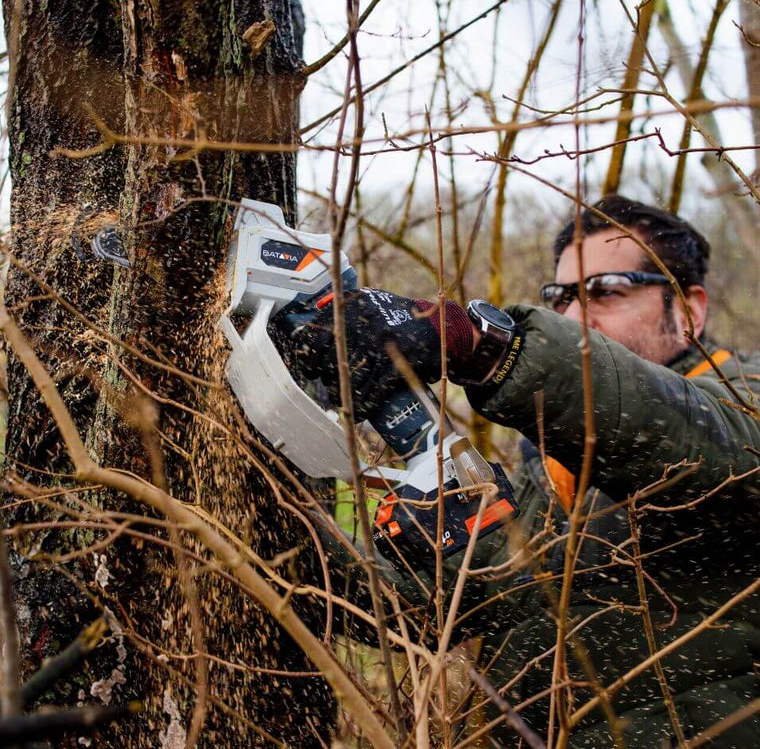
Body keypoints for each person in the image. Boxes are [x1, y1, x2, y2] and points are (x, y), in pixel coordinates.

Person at [291, 195, 760, 748]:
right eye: (560, 298)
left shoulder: (740, 405)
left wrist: (478, 344)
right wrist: (287, 507)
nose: (575, 316)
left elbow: (687, 434)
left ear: (689, 311)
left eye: (607, 292)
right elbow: (425, 610)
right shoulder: (548, 469)